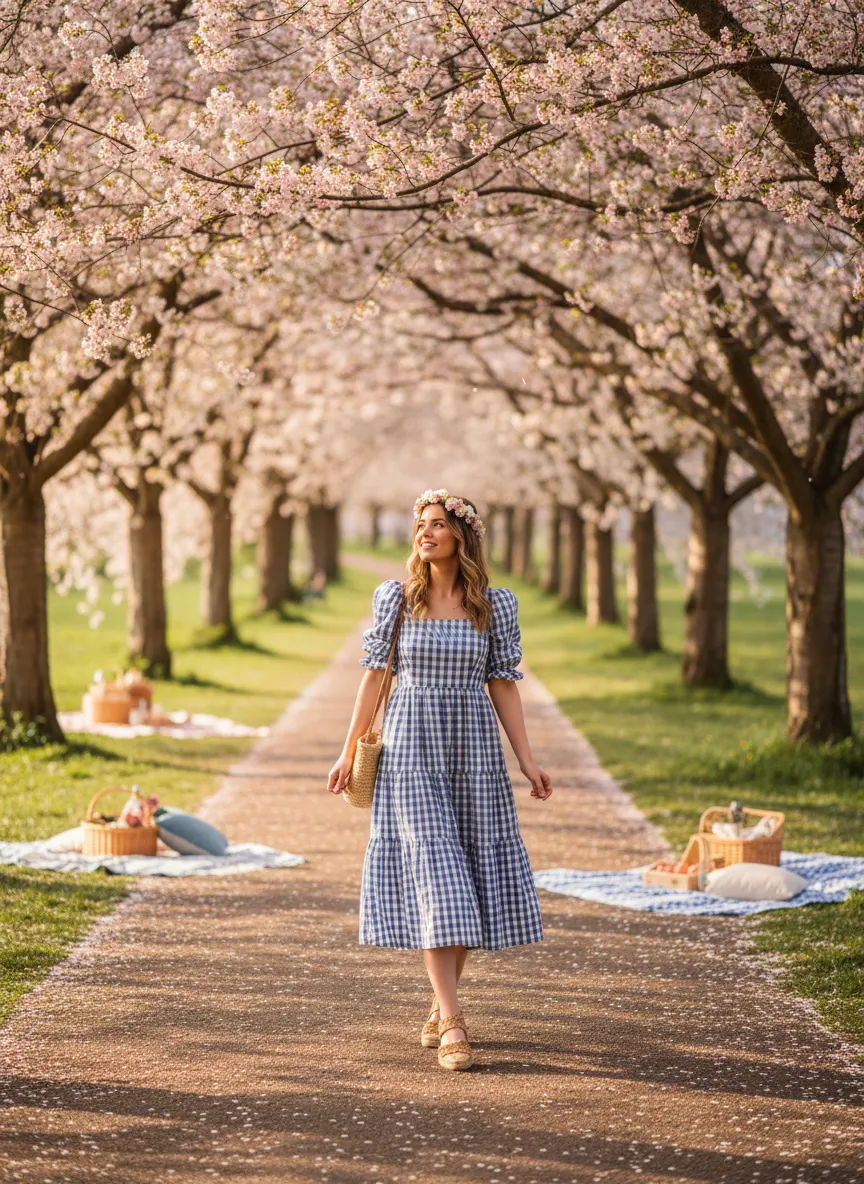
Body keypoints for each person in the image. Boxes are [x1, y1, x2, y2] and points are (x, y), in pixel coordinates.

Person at [327, 489, 552, 1071]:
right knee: (438, 872)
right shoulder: (396, 600)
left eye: (436, 525)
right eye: (419, 525)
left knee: (468, 874)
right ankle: (453, 1021)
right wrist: (347, 750)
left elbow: (503, 683)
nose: (424, 534)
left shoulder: (493, 605)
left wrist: (526, 760)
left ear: (462, 535)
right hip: (409, 751)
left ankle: (438, 1001)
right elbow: (375, 678)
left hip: (473, 750)